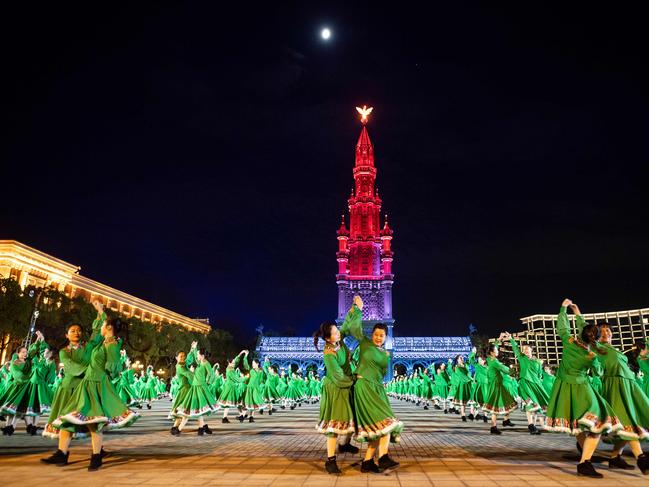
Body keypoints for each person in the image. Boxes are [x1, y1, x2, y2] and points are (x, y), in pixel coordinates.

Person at [49, 313, 139, 471]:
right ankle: (62, 453)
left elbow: (114, 367)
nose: (102, 327)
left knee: (94, 422)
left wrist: (105, 376)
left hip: (97, 385)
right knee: (68, 417)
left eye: (104, 324)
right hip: (87, 384)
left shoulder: (112, 344)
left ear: (109, 328)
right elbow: (95, 339)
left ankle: (96, 456)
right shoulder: (102, 343)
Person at [545, 299, 621, 478]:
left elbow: (562, 327)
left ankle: (585, 455)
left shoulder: (569, 341)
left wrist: (564, 308)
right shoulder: (591, 355)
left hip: (564, 387)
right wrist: (578, 314)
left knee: (577, 425)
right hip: (582, 388)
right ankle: (584, 462)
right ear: (593, 339)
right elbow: (600, 372)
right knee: (600, 422)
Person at [345, 295, 403, 473]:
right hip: (364, 388)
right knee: (386, 423)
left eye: (382, 335)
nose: (378, 337)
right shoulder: (364, 343)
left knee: (377, 427)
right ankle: (383, 457)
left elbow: (382, 374)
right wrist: (357, 308)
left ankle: (367, 462)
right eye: (376, 334)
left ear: (386, 337)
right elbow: (353, 327)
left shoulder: (385, 355)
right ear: (372, 335)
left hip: (377, 389)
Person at [596, 323, 649, 473]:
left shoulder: (614, 349)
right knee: (627, 421)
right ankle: (641, 458)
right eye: (602, 331)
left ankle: (615, 457)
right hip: (614, 387)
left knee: (630, 420)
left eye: (608, 330)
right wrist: (575, 311)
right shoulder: (597, 347)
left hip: (628, 386)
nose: (606, 333)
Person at [313, 309, 360, 475]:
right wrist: (355, 380)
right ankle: (330, 460)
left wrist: (356, 309)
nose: (338, 332)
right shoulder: (329, 353)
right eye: (334, 332)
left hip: (346, 384)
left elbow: (346, 326)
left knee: (352, 416)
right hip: (336, 387)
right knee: (334, 423)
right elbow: (338, 376)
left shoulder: (340, 341)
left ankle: (345, 444)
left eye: (337, 330)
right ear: (328, 338)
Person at [509, 336, 548, 434]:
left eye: (527, 349)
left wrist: (540, 385)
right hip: (525, 383)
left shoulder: (538, 362)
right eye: (523, 349)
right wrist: (511, 339)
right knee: (529, 403)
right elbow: (516, 349)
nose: (525, 350)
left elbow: (539, 375)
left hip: (535, 384)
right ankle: (531, 425)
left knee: (536, 406)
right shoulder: (522, 358)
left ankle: (533, 426)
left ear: (531, 350)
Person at [483, 333, 518, 435]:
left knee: (498, 406)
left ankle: (495, 426)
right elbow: (505, 369)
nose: (498, 351)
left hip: (494, 385)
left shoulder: (490, 359)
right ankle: (494, 426)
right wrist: (515, 372)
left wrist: (499, 340)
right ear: (492, 353)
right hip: (497, 386)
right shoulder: (495, 362)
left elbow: (493, 347)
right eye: (496, 350)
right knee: (497, 406)